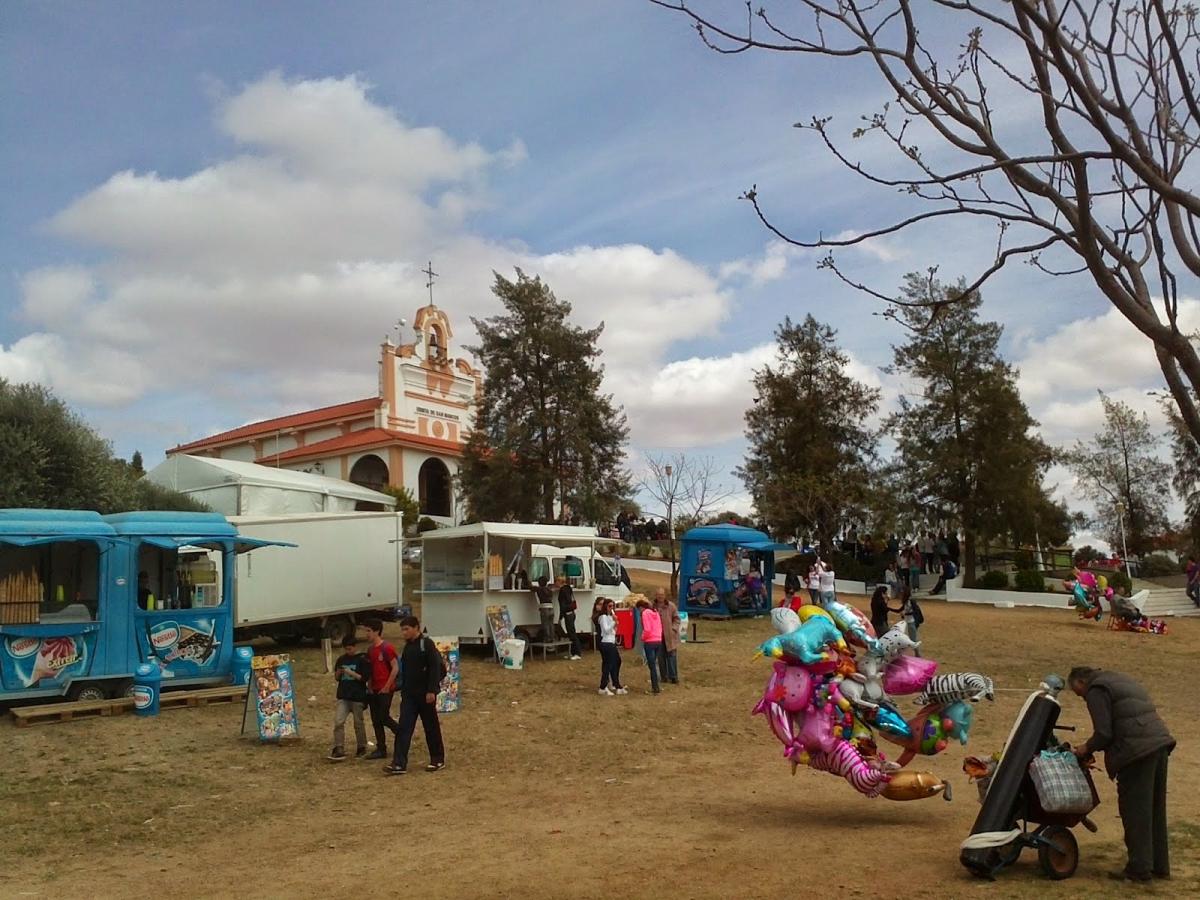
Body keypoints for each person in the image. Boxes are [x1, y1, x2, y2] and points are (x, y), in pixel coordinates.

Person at [1068, 667, 1175, 882]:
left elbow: (1104, 732)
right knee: (1154, 808)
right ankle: (1158, 865)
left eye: (1078, 692)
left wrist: (1085, 748)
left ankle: (1139, 870)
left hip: (1135, 751)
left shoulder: (1096, 689)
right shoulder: (1118, 678)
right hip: (1158, 743)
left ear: (1081, 682)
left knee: (1135, 810)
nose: (1081, 697)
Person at [384, 616, 446, 775]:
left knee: (430, 727)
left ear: (416, 628)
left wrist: (431, 690)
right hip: (409, 696)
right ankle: (399, 763)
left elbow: (435, 668)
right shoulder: (407, 648)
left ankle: (437, 759)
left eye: (406, 629)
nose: (404, 633)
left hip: (425, 695)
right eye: (402, 630)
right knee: (404, 727)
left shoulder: (426, 644)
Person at [328, 635, 369, 761]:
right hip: (344, 696)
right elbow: (336, 678)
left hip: (357, 696)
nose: (348, 651)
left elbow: (364, 678)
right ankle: (339, 747)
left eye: (350, 649)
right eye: (346, 649)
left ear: (355, 647)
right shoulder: (341, 660)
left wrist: (351, 673)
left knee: (358, 723)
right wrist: (339, 673)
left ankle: (362, 746)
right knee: (338, 721)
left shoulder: (361, 660)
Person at [364, 618, 399, 760]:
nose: (367, 634)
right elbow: (370, 668)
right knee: (375, 720)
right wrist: (370, 685)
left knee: (384, 716)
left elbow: (395, 667)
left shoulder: (387, 648)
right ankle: (381, 748)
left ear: (376, 631)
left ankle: (401, 733)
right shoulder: (371, 650)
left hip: (385, 688)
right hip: (375, 689)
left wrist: (387, 686)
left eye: (368, 631)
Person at [596, 598, 627, 695]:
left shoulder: (610, 617)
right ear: (605, 606)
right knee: (608, 664)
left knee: (617, 662)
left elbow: (612, 632)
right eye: (609, 606)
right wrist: (614, 622)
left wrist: (615, 625)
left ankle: (616, 684)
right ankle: (603, 686)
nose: (611, 608)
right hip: (606, 643)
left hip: (611, 642)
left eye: (613, 606)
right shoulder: (603, 617)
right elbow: (605, 630)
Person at [654, 587, 681, 685]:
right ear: (656, 596)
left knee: (671, 656)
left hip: (670, 636)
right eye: (658, 595)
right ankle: (664, 677)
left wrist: (673, 629)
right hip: (657, 636)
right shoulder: (653, 606)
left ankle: (674, 677)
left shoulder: (671, 606)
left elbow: (677, 619)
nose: (660, 597)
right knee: (660, 657)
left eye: (661, 595)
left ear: (664, 595)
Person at [638, 598, 663, 694]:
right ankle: (657, 684)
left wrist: (643, 637)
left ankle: (655, 688)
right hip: (658, 640)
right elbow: (660, 626)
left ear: (641, 607)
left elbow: (647, 629)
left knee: (651, 665)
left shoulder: (645, 613)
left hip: (650, 641)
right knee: (654, 664)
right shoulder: (656, 612)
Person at [557, 576, 581, 659]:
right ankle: (573, 652)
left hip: (567, 613)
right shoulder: (568, 589)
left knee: (571, 633)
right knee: (571, 633)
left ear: (559, 582)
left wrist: (560, 617)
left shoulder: (563, 590)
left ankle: (577, 653)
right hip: (571, 612)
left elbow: (563, 604)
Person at [895, 586, 923, 655]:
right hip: (907, 622)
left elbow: (915, 611)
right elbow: (899, 610)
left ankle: (917, 654)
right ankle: (916, 654)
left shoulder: (910, 601)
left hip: (911, 622)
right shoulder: (906, 601)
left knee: (912, 640)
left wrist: (905, 613)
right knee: (908, 639)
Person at [532, 574, 555, 643]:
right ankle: (552, 638)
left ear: (540, 582)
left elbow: (532, 588)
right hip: (551, 607)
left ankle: (547, 639)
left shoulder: (539, 589)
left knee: (545, 624)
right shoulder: (549, 590)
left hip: (544, 608)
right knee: (551, 624)